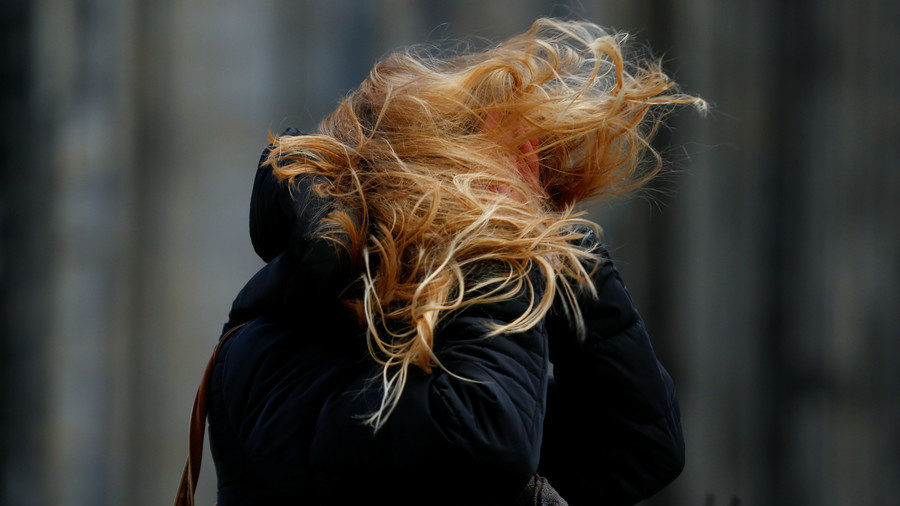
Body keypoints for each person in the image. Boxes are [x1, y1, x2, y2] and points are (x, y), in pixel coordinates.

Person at [206, 18, 706, 505]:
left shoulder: (447, 332)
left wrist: (564, 249)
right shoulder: (274, 348)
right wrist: (501, 244)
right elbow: (486, 439)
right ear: (426, 200)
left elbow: (641, 445)